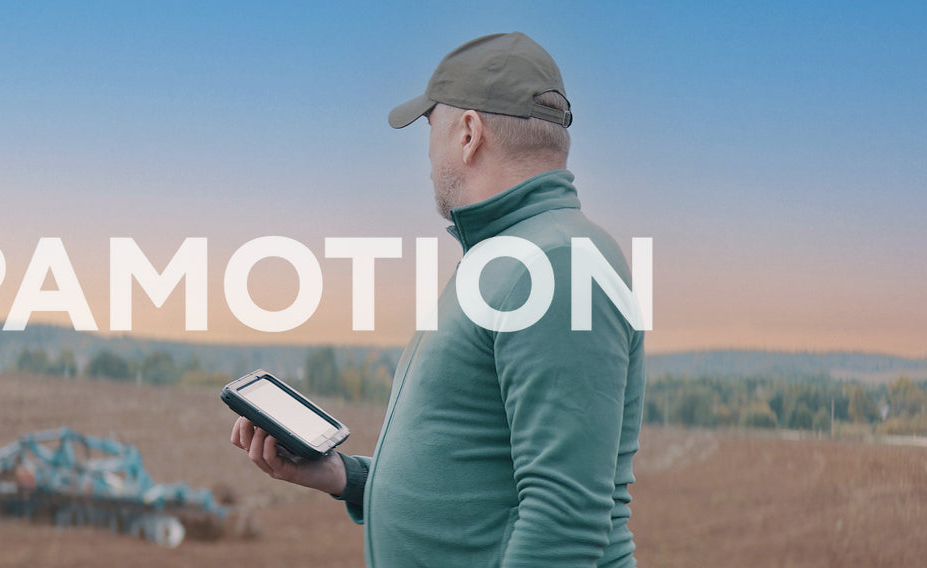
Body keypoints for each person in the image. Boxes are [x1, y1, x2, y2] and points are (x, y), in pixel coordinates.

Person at [230, 32, 645, 567]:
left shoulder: (557, 263)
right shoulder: (510, 259)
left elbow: (564, 519)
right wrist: (345, 477)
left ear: (469, 133)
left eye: (432, 129)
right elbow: (473, 468)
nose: (428, 156)